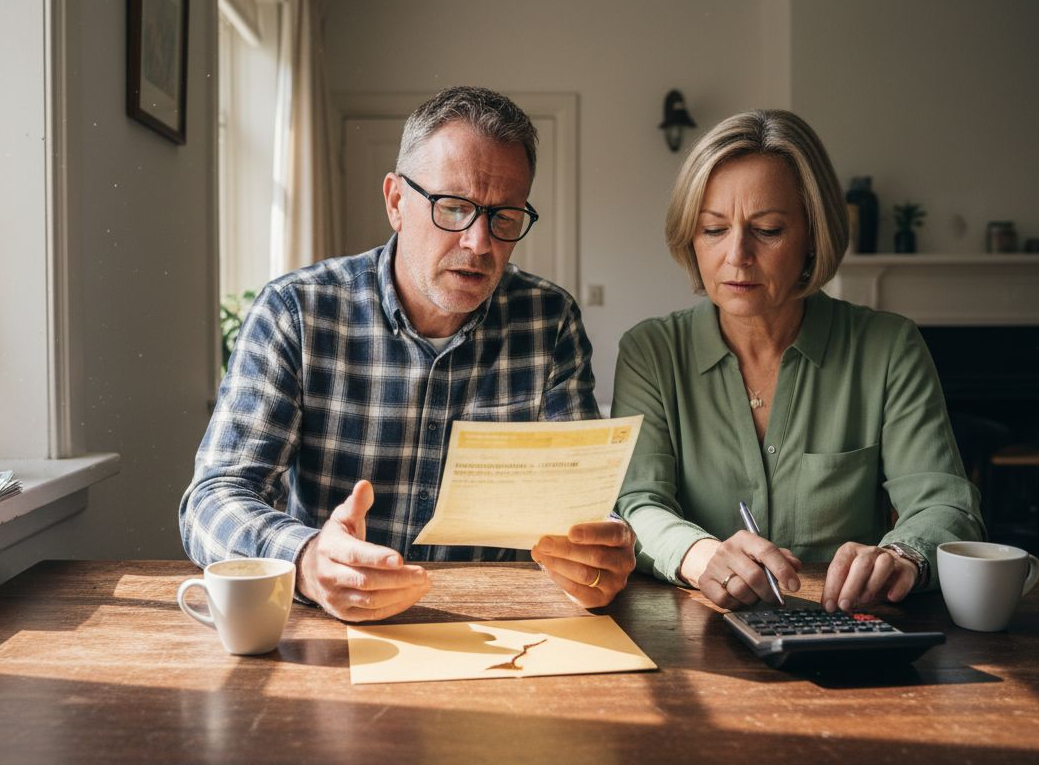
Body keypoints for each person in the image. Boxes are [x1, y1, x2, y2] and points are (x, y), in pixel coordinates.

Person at [181, 86, 636, 622]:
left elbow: (579, 503)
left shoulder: (548, 320)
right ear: (396, 202)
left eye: (505, 217)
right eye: (454, 208)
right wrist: (305, 559)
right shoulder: (297, 311)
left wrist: (599, 552)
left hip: (497, 627)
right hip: (333, 621)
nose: (479, 243)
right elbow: (212, 499)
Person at [612, 109, 984, 613]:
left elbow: (946, 504)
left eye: (766, 230)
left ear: (813, 235)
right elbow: (637, 504)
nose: (737, 255)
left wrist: (901, 555)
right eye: (713, 230)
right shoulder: (650, 353)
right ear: (690, 238)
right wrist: (703, 558)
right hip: (698, 630)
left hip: (847, 624)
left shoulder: (889, 347)